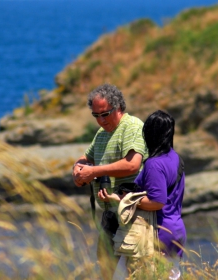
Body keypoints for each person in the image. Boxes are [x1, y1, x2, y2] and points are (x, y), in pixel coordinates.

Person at [72, 83, 147, 280]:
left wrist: (94, 171)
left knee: (131, 273)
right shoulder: (102, 132)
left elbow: (132, 164)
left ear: (119, 107)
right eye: (96, 115)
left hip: (131, 215)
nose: (101, 120)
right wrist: (78, 168)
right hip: (109, 216)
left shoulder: (132, 126)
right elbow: (86, 157)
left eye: (105, 114)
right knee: (106, 269)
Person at [102, 110, 186, 279]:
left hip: (154, 233)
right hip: (175, 231)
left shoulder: (154, 164)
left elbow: (157, 201)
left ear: (148, 133)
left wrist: (121, 199)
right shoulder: (175, 158)